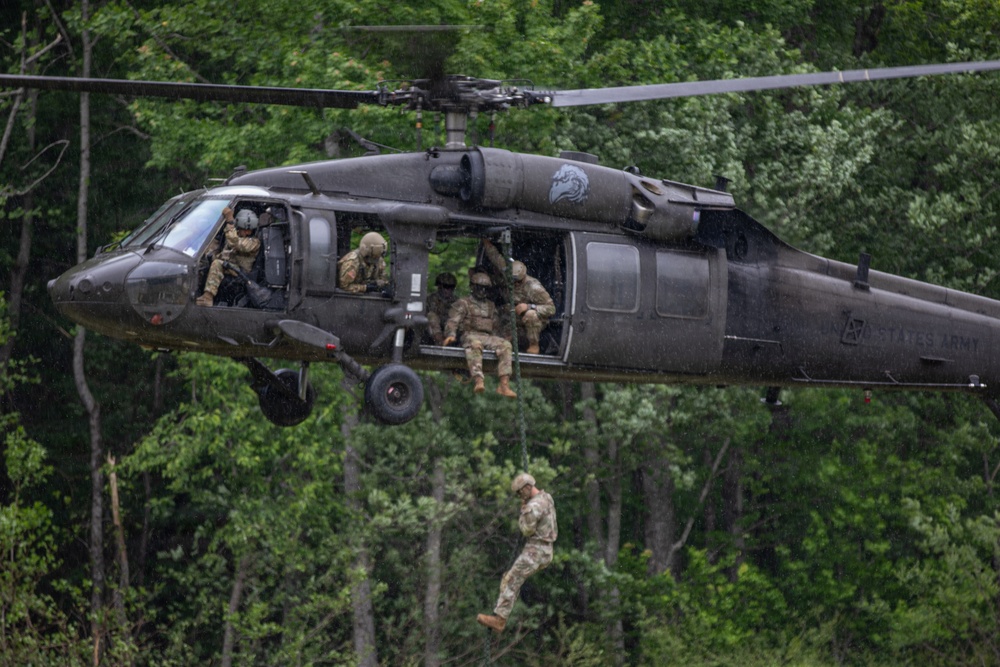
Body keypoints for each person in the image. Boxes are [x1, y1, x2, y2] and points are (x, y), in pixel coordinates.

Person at [476, 472, 558, 633]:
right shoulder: (547, 497)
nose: (519, 496)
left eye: (520, 492)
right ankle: (501, 612)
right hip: (546, 550)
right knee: (512, 578)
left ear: (527, 487)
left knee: (511, 580)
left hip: (535, 551)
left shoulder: (534, 506)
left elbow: (527, 530)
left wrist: (523, 512)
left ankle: (500, 619)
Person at [442, 272, 517, 398]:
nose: (482, 291)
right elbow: (453, 321)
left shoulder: (491, 306)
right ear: (473, 287)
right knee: (475, 344)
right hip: (469, 334)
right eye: (479, 287)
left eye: (485, 288)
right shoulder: (464, 303)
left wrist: (504, 337)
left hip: (487, 336)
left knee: (505, 345)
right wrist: (451, 335)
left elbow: (496, 326)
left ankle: (504, 384)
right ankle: (478, 380)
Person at [482, 240, 556, 354]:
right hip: (512, 314)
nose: (514, 284)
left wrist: (529, 307)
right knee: (493, 312)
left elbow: (551, 309)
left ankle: (534, 344)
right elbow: (495, 257)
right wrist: (486, 241)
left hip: (530, 321)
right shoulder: (507, 271)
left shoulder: (533, 287)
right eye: (512, 281)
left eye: (518, 282)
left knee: (531, 315)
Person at [196, 207, 261, 307]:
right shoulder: (234, 235)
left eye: (250, 230)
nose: (248, 233)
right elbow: (226, 251)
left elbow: (235, 242)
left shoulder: (254, 243)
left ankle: (208, 297)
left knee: (217, 264)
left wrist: (230, 221)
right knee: (203, 260)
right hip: (231, 266)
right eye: (245, 229)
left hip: (241, 272)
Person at [425, 272, 457, 345]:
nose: (448, 290)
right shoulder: (430, 299)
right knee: (431, 316)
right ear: (439, 286)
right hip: (432, 330)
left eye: (451, 287)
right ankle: (441, 342)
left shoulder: (457, 302)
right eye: (446, 286)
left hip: (451, 329)